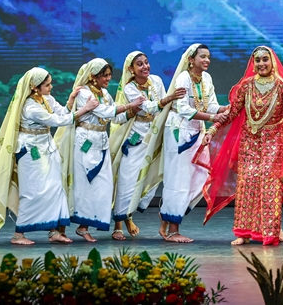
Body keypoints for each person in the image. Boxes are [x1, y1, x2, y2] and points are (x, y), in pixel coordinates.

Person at [201, 46, 283, 246]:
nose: (261, 64)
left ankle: (270, 233)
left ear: (272, 61)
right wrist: (212, 130)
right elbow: (232, 112)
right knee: (247, 183)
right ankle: (243, 233)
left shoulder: (282, 85)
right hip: (249, 140)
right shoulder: (246, 85)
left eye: (265, 59)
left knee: (269, 183)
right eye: (257, 60)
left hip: (274, 139)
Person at [0, 67, 98, 244]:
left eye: (50, 83)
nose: (51, 87)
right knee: (32, 192)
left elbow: (62, 112)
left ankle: (54, 231)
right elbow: (58, 121)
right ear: (35, 87)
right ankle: (18, 235)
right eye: (47, 85)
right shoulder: (30, 107)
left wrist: (71, 100)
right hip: (31, 151)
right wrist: (85, 109)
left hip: (47, 147)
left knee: (55, 188)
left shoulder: (45, 99)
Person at [55, 58, 143, 242]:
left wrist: (133, 112)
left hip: (102, 142)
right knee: (85, 186)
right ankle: (80, 227)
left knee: (104, 186)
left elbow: (115, 118)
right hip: (85, 143)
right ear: (93, 76)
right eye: (104, 75)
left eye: (109, 75)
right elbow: (104, 111)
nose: (108, 79)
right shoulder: (84, 93)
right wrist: (129, 105)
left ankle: (84, 226)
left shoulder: (105, 93)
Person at [109, 51, 186, 240]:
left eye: (146, 62)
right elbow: (150, 107)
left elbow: (164, 108)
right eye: (140, 64)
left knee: (151, 180)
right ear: (131, 69)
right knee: (126, 181)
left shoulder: (156, 81)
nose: (145, 66)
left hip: (155, 136)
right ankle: (119, 224)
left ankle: (130, 215)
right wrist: (168, 98)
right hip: (136, 139)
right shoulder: (129, 88)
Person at [158, 44, 229, 243]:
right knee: (179, 179)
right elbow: (182, 109)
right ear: (191, 60)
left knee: (201, 176)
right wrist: (212, 117)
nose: (207, 60)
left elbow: (211, 105)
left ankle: (167, 215)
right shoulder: (183, 78)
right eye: (202, 57)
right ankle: (173, 230)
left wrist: (224, 109)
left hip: (196, 131)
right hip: (179, 132)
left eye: (208, 57)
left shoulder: (207, 78)